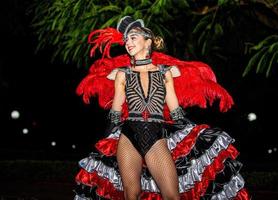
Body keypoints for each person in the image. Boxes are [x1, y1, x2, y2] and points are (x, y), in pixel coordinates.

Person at [74, 16, 250, 200]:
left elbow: (174, 109)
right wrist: (105, 140)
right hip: (128, 136)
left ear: (148, 41)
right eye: (126, 40)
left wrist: (195, 133)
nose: (128, 43)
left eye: (133, 37)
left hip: (156, 135)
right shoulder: (121, 74)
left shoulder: (166, 72)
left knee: (172, 196)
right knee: (131, 194)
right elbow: (116, 112)